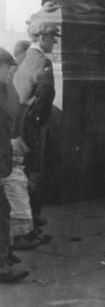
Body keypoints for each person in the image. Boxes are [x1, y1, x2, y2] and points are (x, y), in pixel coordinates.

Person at [13, 20, 58, 232]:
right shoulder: (43, 62)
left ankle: (27, 222)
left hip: (18, 125)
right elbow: (45, 97)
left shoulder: (24, 59)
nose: (54, 42)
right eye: (52, 37)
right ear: (41, 38)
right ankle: (31, 223)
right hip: (32, 126)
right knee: (34, 171)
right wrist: (40, 124)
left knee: (22, 172)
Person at [0, 47, 29, 283]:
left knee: (4, 211)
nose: (11, 73)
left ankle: (5, 256)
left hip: (2, 161)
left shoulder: (4, 90)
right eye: (8, 68)